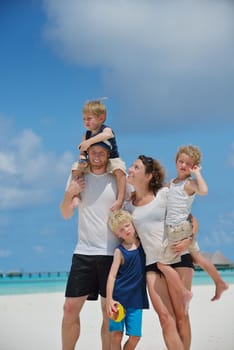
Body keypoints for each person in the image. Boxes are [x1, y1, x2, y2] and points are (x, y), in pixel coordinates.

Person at [60, 141, 130, 350]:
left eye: (102, 152)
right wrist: (69, 193)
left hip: (114, 254)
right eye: (93, 152)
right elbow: (65, 213)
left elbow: (138, 203)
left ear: (109, 155)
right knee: (69, 309)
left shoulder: (117, 179)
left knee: (109, 313)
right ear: (87, 153)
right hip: (84, 252)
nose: (97, 156)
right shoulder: (79, 178)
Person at [125, 155, 194, 350]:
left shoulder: (164, 194)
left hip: (177, 258)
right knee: (165, 318)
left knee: (181, 316)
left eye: (136, 167)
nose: (131, 169)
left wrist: (189, 239)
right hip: (152, 264)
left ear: (148, 176)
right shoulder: (129, 206)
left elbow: (190, 219)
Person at [157, 144, 229, 308]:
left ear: (193, 166)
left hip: (177, 230)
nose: (183, 165)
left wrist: (197, 174)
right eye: (181, 161)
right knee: (198, 257)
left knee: (162, 264)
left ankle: (184, 292)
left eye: (188, 164)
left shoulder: (189, 183)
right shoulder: (172, 183)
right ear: (176, 161)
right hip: (184, 228)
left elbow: (203, 191)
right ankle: (219, 282)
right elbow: (160, 196)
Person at [71, 99, 126, 211]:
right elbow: (82, 153)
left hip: (111, 158)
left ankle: (120, 199)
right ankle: (76, 195)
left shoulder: (105, 129)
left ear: (101, 118)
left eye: (89, 119)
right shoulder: (86, 135)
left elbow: (107, 135)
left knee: (120, 170)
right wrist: (82, 159)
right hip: (92, 160)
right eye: (84, 119)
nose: (86, 122)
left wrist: (88, 142)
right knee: (76, 168)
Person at [106, 210, 149, 350]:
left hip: (137, 300)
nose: (126, 230)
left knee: (135, 337)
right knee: (116, 335)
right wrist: (109, 300)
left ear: (133, 224)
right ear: (117, 234)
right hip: (118, 300)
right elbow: (112, 276)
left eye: (127, 225)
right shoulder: (119, 251)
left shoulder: (145, 245)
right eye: (121, 229)